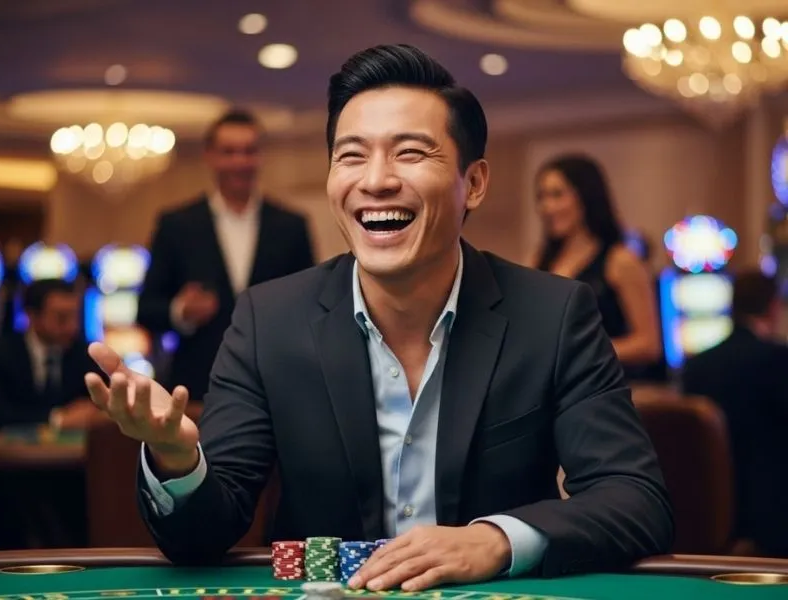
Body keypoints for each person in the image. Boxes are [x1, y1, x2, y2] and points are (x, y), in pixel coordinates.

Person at [85, 45, 673, 589]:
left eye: (411, 152)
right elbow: (203, 535)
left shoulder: (553, 314)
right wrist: (176, 459)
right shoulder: (269, 320)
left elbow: (634, 498)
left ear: (474, 183)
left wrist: (495, 540)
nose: (376, 180)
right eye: (352, 156)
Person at [136, 109, 315, 400]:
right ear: (210, 156)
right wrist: (180, 311)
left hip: (274, 385)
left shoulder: (291, 226)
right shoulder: (176, 224)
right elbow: (145, 309)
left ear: (260, 156)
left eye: (249, 151)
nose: (240, 162)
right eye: (229, 152)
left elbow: (312, 308)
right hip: (197, 387)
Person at [682, 270, 788, 557]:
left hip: (706, 511)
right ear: (774, 306)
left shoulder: (697, 365)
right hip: (773, 516)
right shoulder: (777, 359)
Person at [530, 155, 662, 381]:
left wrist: (581, 352)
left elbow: (649, 344)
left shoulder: (620, 260)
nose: (547, 207)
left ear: (586, 197)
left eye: (557, 195)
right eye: (542, 197)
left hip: (602, 388)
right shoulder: (538, 261)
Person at [0, 278, 99, 430]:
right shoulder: (0, 354)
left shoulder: (86, 354)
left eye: (75, 317)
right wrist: (56, 419)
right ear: (32, 316)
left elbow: (96, 408)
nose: (72, 327)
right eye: (62, 318)